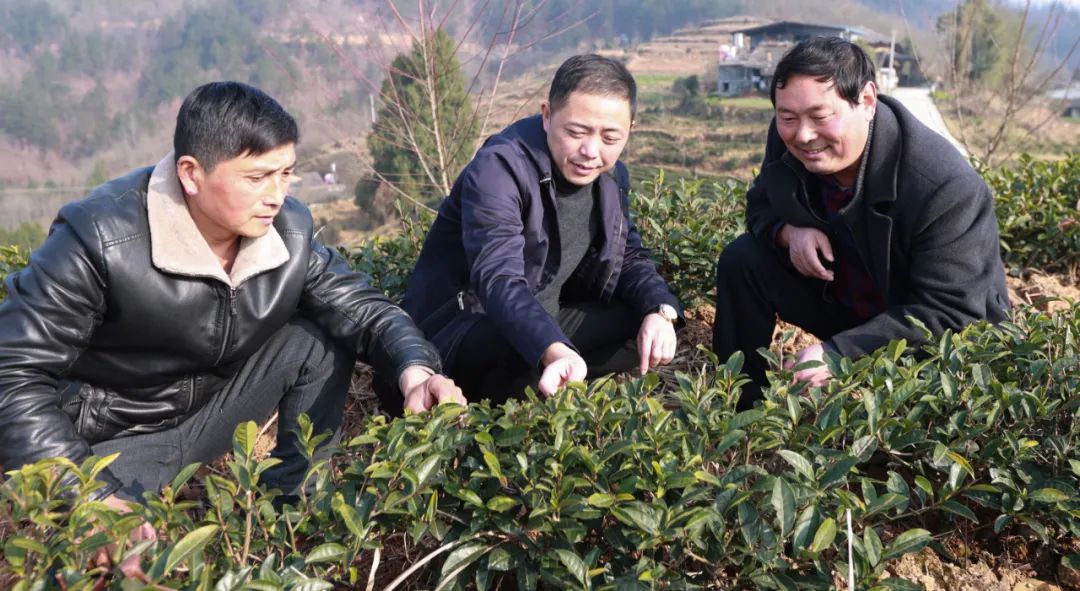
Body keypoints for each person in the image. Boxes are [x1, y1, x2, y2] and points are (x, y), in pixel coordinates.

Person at [0, 81, 463, 567]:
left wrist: (416, 371)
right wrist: (85, 494)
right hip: (114, 442)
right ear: (191, 174)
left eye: (287, 173)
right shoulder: (100, 239)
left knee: (317, 338)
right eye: (257, 177)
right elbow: (12, 371)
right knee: (116, 564)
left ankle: (293, 515)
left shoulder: (287, 232)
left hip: (208, 416)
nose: (277, 196)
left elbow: (364, 309)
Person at [713, 37, 1010, 405]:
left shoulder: (942, 186)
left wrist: (840, 353)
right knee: (743, 259)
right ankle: (739, 404)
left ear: (867, 101)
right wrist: (789, 232)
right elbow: (760, 205)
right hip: (845, 303)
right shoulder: (788, 136)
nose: (803, 135)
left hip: (920, 334)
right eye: (787, 117)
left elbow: (952, 313)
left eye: (821, 117)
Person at [390, 55, 683, 414]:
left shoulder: (611, 175)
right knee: (520, 348)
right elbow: (497, 280)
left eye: (610, 137)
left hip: (545, 318)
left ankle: (548, 375)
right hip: (469, 329)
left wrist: (659, 311)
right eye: (576, 132)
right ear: (547, 115)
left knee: (644, 321)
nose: (591, 151)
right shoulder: (500, 168)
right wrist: (552, 347)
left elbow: (628, 255)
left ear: (630, 129)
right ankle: (522, 386)